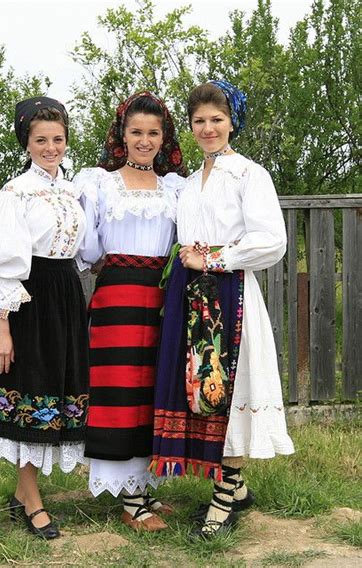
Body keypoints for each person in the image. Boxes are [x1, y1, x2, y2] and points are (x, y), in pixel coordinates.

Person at [151, 80, 295, 538]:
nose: (208, 128)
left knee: (226, 390)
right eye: (199, 121)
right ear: (190, 126)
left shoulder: (250, 175)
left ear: (233, 122)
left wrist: (215, 258)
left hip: (228, 293)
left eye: (217, 119)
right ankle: (237, 487)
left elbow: (272, 240)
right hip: (192, 295)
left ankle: (223, 498)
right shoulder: (190, 183)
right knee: (201, 390)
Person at [0, 96, 89, 540]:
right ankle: (31, 498)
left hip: (67, 296)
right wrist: (1, 327)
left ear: (66, 140)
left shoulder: (72, 191)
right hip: (29, 301)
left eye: (57, 139)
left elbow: (83, 251)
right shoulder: (14, 193)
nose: (50, 147)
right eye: (41, 140)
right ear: (27, 143)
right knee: (30, 393)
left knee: (56, 392)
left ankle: (23, 492)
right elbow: (2, 263)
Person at [75, 92, 187, 531]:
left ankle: (146, 485)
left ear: (164, 137)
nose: (144, 140)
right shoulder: (99, 184)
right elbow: (89, 249)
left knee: (154, 388)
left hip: (161, 295)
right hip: (118, 292)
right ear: (122, 134)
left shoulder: (175, 187)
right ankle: (128, 497)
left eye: (153, 133)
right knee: (120, 388)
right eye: (136, 131)